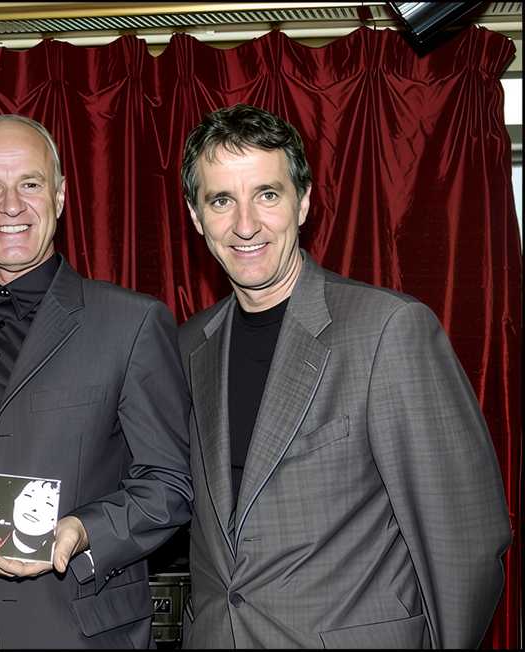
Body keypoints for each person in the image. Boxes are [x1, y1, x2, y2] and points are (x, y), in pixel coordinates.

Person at [177, 103, 511, 648]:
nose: (244, 225)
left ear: (303, 201)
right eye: (221, 201)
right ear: (196, 217)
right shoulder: (190, 344)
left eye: (267, 194)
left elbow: (465, 540)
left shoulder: (388, 329)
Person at [0, 114, 193, 648]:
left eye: (31, 184)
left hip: (68, 632)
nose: (11, 205)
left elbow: (170, 486)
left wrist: (82, 530)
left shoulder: (130, 323)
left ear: (60, 196)